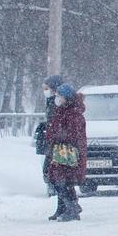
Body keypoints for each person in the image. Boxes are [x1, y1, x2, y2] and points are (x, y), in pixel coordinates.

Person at [44, 84, 88, 222]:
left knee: (63, 181)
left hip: (68, 153)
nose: (57, 98)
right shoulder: (62, 110)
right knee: (58, 179)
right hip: (59, 151)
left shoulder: (73, 113)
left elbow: (73, 134)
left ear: (66, 97)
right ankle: (63, 207)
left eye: (59, 96)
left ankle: (72, 208)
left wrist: (58, 136)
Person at [34, 75, 65, 196]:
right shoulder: (51, 101)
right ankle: (54, 187)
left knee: (54, 166)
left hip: (58, 141)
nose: (45, 91)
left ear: (54, 88)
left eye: (46, 88)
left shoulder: (58, 102)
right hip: (53, 140)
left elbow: (58, 121)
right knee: (50, 166)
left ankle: (57, 190)